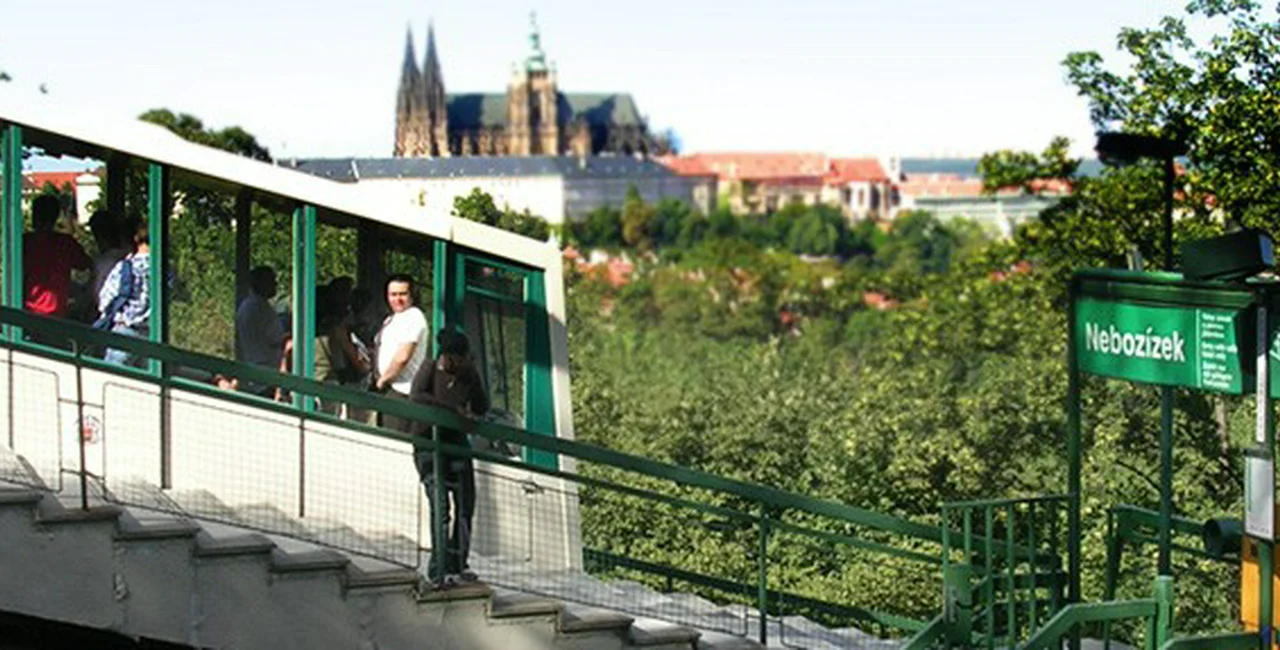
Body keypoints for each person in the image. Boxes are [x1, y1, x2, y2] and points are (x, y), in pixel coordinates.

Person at [409, 329, 489, 585]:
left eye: (462, 359)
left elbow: (482, 405)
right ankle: (438, 567)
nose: (456, 364)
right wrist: (452, 410)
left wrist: (473, 386)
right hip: (429, 445)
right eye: (454, 358)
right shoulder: (430, 368)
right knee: (440, 505)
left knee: (465, 503)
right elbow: (417, 397)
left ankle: (458, 560)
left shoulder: (468, 373)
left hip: (456, 444)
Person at [23, 194, 92, 323]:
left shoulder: (24, 243)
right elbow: (85, 265)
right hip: (57, 312)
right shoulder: (66, 243)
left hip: (27, 312)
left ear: (34, 216)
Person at [374, 274, 428, 432]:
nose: (397, 299)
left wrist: (382, 381)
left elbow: (403, 357)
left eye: (402, 294)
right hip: (388, 389)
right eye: (393, 294)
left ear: (412, 295)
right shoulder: (391, 319)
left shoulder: (414, 317)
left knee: (395, 443)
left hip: (401, 392)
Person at [97, 219, 150, 367]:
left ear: (136, 239)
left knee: (111, 379)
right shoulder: (166, 270)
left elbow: (106, 299)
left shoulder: (126, 266)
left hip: (126, 332)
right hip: (153, 336)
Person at [235, 266, 287, 396]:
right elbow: (276, 339)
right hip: (267, 376)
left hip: (251, 371)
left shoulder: (245, 306)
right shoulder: (262, 309)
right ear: (262, 283)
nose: (275, 284)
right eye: (272, 280)